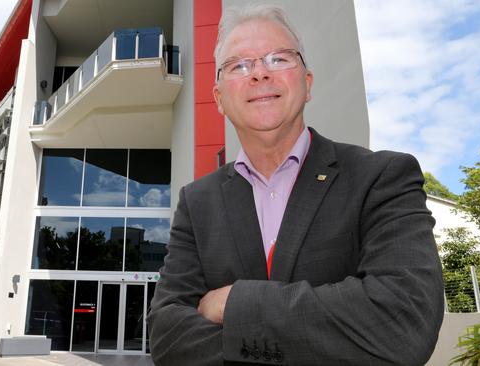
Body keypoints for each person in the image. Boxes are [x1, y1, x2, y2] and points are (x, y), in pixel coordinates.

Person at [147, 3, 444, 365]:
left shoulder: (382, 177)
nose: (259, 74)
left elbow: (404, 320)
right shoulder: (197, 202)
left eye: (278, 58)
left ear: (307, 84)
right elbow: (166, 335)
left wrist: (232, 304)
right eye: (239, 65)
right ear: (220, 99)